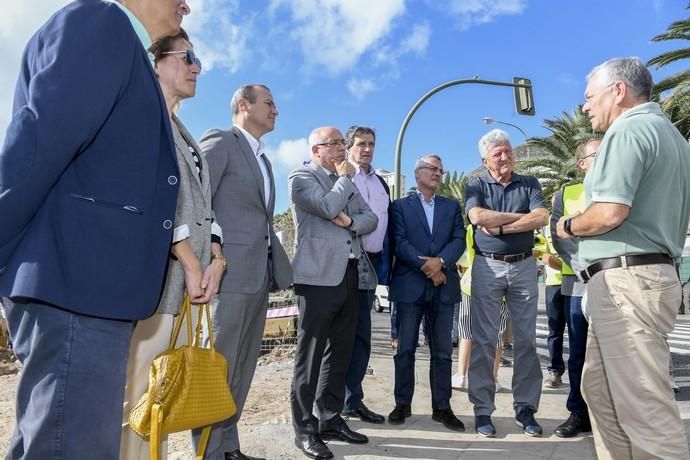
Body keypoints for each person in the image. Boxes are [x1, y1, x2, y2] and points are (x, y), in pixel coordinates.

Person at [0, 1, 189, 457]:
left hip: (84, 288)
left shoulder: (120, 45)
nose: (186, 6)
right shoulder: (101, 23)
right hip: (76, 285)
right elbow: (37, 142)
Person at [557, 56, 690, 459]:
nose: (585, 106)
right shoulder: (674, 138)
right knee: (598, 390)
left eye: (589, 96)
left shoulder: (627, 131)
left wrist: (566, 225)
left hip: (628, 283)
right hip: (641, 277)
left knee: (645, 407)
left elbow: (610, 213)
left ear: (618, 90)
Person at [119, 29, 226, 459]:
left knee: (161, 395)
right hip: (158, 285)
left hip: (189, 284)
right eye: (187, 56)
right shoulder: (140, 118)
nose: (197, 66)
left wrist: (216, 259)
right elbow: (146, 196)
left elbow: (203, 207)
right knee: (140, 395)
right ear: (157, 63)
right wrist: (188, 258)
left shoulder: (183, 131)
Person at [193, 84, 293, 460]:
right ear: (242, 105)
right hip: (227, 277)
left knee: (243, 369)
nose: (276, 111)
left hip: (259, 277)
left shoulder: (266, 161)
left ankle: (228, 447)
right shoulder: (221, 141)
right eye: (269, 102)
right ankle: (206, 452)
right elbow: (197, 199)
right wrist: (213, 257)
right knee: (216, 370)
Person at [289, 126, 378, 460]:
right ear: (316, 150)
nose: (343, 148)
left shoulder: (347, 183)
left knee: (339, 353)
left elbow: (369, 219)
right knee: (309, 357)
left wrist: (349, 223)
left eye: (343, 143)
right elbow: (326, 206)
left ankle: (330, 418)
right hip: (316, 279)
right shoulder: (301, 177)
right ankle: (304, 429)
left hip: (350, 277)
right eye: (336, 143)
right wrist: (343, 182)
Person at [465, 129, 547, 438]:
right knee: (485, 340)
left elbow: (540, 217)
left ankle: (525, 408)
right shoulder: (475, 184)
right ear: (485, 159)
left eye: (508, 150)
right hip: (487, 267)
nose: (505, 156)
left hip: (525, 265)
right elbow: (477, 216)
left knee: (526, 340)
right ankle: (483, 410)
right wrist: (517, 219)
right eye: (498, 152)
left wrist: (500, 229)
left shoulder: (529, 183)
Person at [387, 155, 466, 432]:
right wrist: (428, 267)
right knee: (405, 348)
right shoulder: (400, 207)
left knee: (443, 352)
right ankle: (402, 403)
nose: (438, 173)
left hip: (443, 288)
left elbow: (459, 240)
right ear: (418, 172)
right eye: (433, 169)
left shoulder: (451, 206)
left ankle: (442, 407)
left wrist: (441, 262)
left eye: (440, 170)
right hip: (410, 286)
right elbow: (399, 242)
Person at [549, 137, 599, 438]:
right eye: (598, 154)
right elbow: (559, 236)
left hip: (616, 280)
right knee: (579, 352)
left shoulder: (622, 183)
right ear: (581, 163)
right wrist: (585, 268)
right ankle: (578, 413)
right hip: (579, 284)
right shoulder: (567, 193)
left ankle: (610, 414)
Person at [341, 126, 391, 424]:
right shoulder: (343, 176)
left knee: (361, 337)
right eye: (361, 144)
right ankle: (336, 402)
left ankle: (353, 400)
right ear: (349, 147)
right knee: (343, 336)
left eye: (371, 143)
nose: (367, 149)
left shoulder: (381, 182)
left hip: (371, 264)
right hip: (345, 263)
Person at [452, 226, 509, 392]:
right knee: (497, 333)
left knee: (466, 331)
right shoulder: (514, 224)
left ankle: (461, 376)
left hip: (473, 283)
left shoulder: (474, 227)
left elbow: (465, 258)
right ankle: (492, 378)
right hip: (502, 287)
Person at [540, 224, 566, 388]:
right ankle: (555, 371)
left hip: (579, 281)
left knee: (581, 330)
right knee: (555, 330)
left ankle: (586, 373)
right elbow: (543, 253)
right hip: (554, 283)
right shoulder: (547, 225)